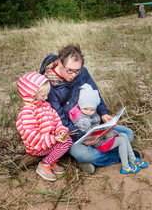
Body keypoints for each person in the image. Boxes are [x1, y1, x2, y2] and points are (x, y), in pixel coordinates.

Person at [39, 44, 141, 173]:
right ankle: (119, 156)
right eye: (70, 70)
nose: (74, 74)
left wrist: (104, 113)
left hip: (93, 124)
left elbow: (95, 94)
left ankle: (98, 155)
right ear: (60, 63)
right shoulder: (48, 84)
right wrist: (84, 138)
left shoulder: (82, 72)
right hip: (71, 132)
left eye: (77, 70)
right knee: (84, 154)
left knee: (129, 134)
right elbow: (60, 120)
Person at [69, 83, 148, 174]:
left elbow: (97, 126)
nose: (89, 112)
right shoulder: (82, 120)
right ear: (80, 106)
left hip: (101, 136)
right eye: (86, 109)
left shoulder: (90, 112)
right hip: (98, 142)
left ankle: (133, 159)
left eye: (92, 110)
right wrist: (109, 133)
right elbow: (91, 135)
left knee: (124, 135)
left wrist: (106, 121)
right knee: (121, 140)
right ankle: (125, 166)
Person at [16, 72, 72, 181]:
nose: (46, 98)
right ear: (31, 94)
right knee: (66, 143)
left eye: (47, 94)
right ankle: (45, 164)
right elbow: (31, 135)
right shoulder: (27, 112)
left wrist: (60, 130)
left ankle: (51, 159)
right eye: (43, 95)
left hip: (48, 141)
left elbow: (56, 119)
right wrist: (53, 139)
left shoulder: (45, 105)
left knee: (67, 140)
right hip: (37, 146)